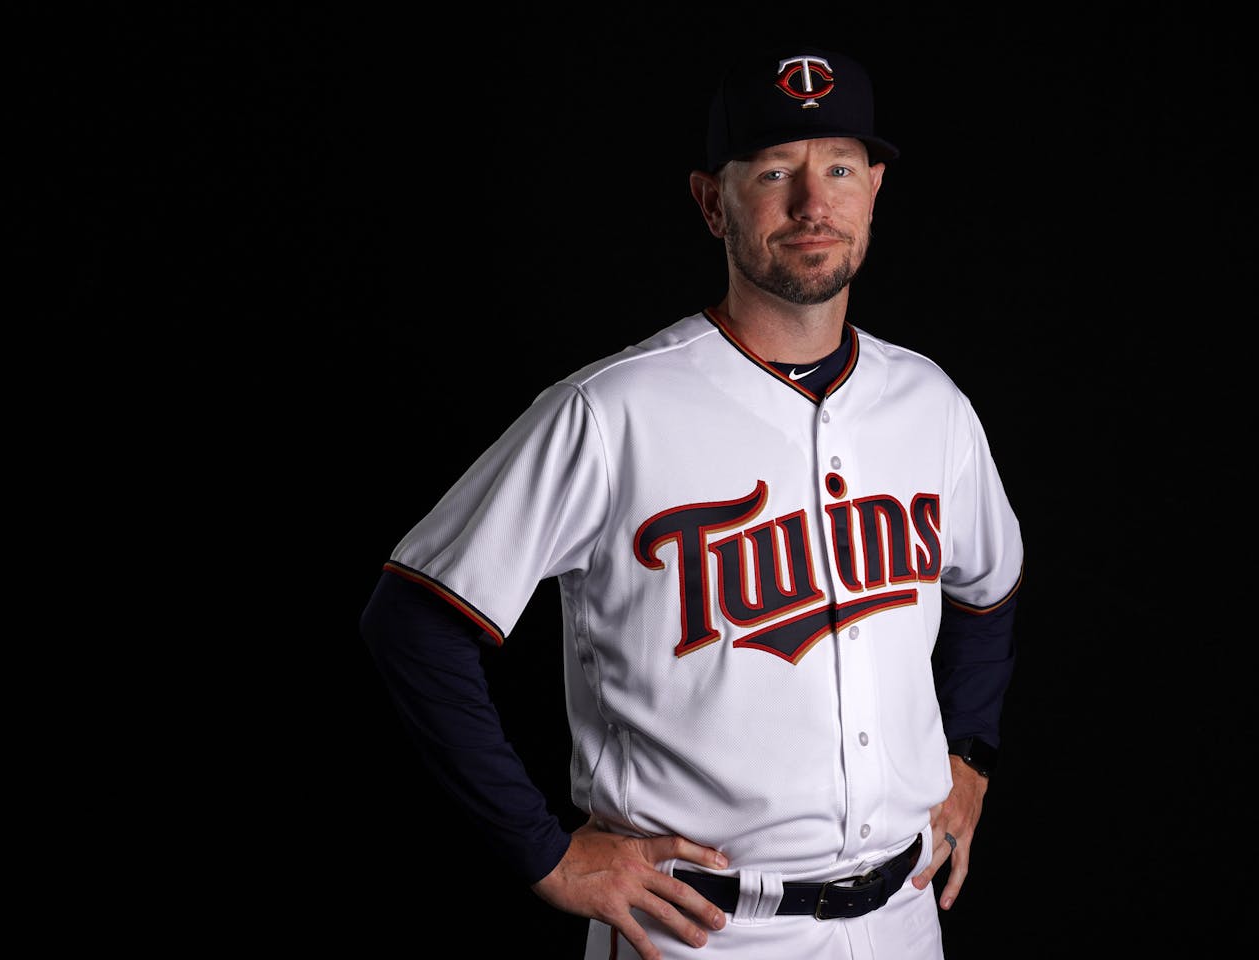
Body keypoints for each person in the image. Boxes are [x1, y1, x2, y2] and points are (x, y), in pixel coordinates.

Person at [360, 43, 1024, 960]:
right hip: (704, 931)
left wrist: (972, 755)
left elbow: (990, 589)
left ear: (874, 188)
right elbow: (414, 620)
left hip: (902, 920)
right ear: (713, 201)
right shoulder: (611, 411)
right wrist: (544, 854)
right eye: (772, 172)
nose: (811, 203)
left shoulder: (932, 405)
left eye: (837, 167)